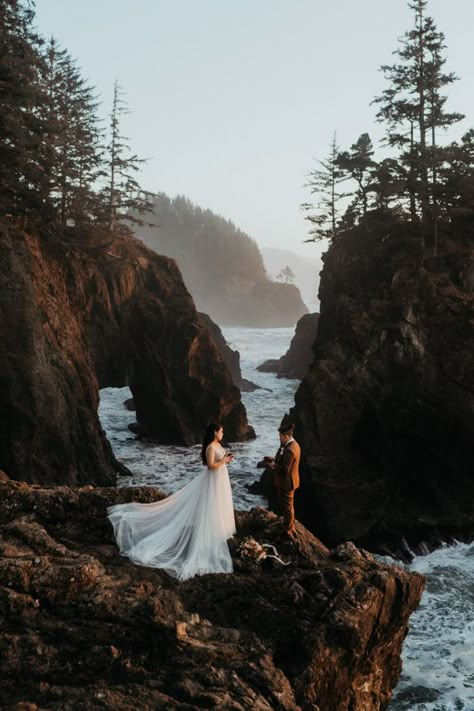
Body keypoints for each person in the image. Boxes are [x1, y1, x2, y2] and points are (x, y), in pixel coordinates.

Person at [107, 422, 236, 581]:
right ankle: (205, 543)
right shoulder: (210, 447)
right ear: (215, 432)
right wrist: (224, 460)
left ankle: (216, 536)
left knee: (218, 509)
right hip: (213, 481)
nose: (223, 433)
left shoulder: (217, 444)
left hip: (220, 481)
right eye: (221, 431)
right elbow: (210, 466)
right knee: (211, 509)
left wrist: (225, 458)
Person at [266, 423, 300, 541]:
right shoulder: (294, 445)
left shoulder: (290, 450)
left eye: (280, 436)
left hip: (287, 483)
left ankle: (288, 529)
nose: (279, 438)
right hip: (290, 481)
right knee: (289, 505)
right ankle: (290, 525)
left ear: (286, 436)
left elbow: (285, 470)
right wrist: (275, 459)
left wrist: (273, 465)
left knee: (287, 506)